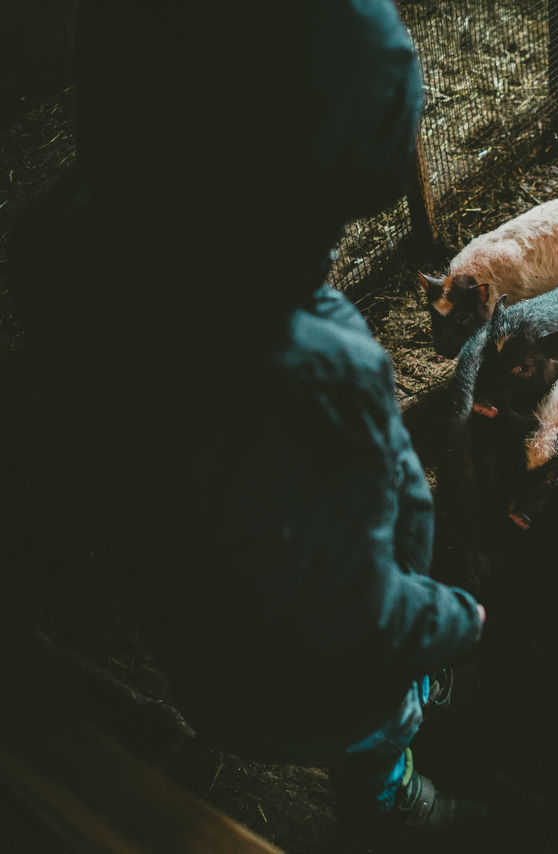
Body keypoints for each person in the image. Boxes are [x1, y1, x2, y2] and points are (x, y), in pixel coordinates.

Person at [50, 0, 487, 839]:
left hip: (197, 637)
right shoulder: (314, 375)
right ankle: (389, 798)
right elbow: (355, 610)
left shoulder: (104, 265)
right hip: (312, 686)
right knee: (377, 720)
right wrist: (452, 621)